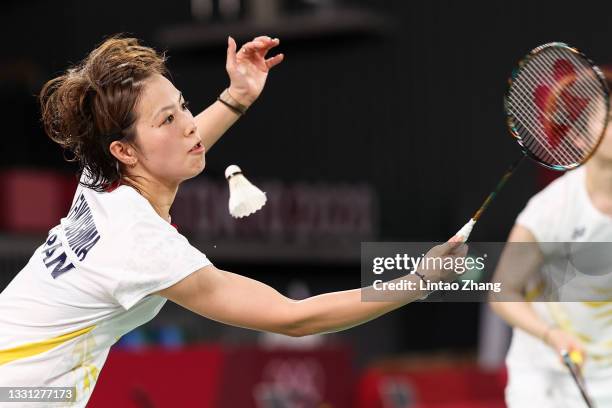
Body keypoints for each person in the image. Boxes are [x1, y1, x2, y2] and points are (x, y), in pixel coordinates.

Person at [0, 35, 465, 406]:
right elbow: (293, 318)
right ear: (124, 150)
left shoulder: (101, 177)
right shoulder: (139, 242)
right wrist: (418, 281)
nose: (186, 123)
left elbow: (185, 139)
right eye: (167, 120)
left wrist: (236, 96)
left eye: (182, 105)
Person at [490, 85, 612, 406]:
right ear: (581, 139)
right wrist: (550, 334)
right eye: (610, 118)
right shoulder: (552, 209)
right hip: (546, 375)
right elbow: (502, 290)